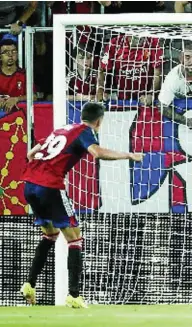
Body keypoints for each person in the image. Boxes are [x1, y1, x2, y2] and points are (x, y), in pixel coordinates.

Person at [20, 102, 144, 308]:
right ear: (99, 120)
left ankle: (29, 284)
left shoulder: (63, 129)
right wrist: (129, 155)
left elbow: (32, 153)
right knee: (75, 238)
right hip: (49, 185)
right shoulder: (85, 131)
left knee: (50, 235)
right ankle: (74, 295)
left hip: (29, 184)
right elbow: (97, 153)